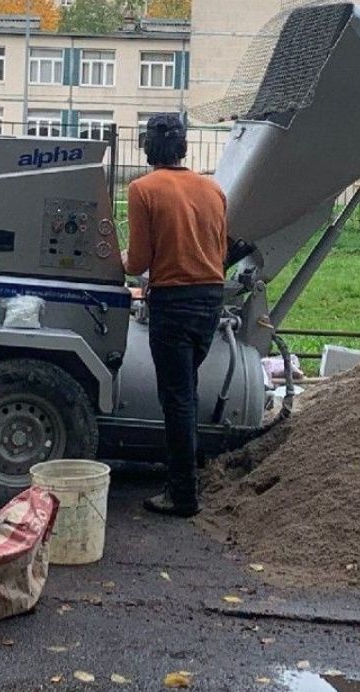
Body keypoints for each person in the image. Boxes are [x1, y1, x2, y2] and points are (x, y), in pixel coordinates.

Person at [121, 113, 227, 517]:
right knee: (186, 390)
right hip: (209, 300)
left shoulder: (143, 189)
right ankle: (188, 478)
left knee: (178, 399)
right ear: (183, 147)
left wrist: (114, 259)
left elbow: (138, 262)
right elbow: (218, 254)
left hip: (174, 303)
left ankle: (183, 495)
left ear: (148, 147)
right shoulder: (213, 189)